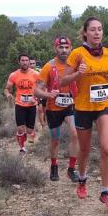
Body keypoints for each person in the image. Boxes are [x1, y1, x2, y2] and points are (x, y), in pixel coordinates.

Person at [61, 17, 108, 210]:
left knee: (106, 147)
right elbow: (63, 81)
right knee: (85, 149)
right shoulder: (77, 54)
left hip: (104, 105)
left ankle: (105, 191)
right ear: (85, 32)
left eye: (100, 29)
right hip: (83, 107)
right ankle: (82, 179)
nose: (97, 33)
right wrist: (78, 74)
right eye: (92, 29)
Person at [34, 36, 81, 182]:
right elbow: (36, 90)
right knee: (55, 139)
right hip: (53, 108)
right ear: (55, 49)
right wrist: (48, 94)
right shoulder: (49, 66)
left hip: (70, 106)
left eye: (67, 47)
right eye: (61, 47)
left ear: (71, 48)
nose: (64, 50)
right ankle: (54, 166)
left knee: (75, 134)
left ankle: (71, 169)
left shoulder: (77, 65)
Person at [4, 54, 39, 153]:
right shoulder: (14, 75)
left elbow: (42, 88)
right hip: (19, 104)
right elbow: (7, 89)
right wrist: (8, 94)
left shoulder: (35, 74)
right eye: (22, 60)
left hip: (32, 104)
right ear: (19, 62)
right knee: (20, 128)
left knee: (29, 130)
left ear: (29, 62)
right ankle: (22, 148)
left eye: (26, 60)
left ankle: (30, 134)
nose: (25, 62)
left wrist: (36, 97)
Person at [30, 58, 47, 130]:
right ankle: (42, 126)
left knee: (45, 110)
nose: (32, 65)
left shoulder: (40, 71)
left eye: (33, 63)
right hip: (33, 93)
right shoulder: (26, 72)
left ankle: (45, 123)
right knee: (39, 109)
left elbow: (45, 81)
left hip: (42, 92)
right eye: (30, 64)